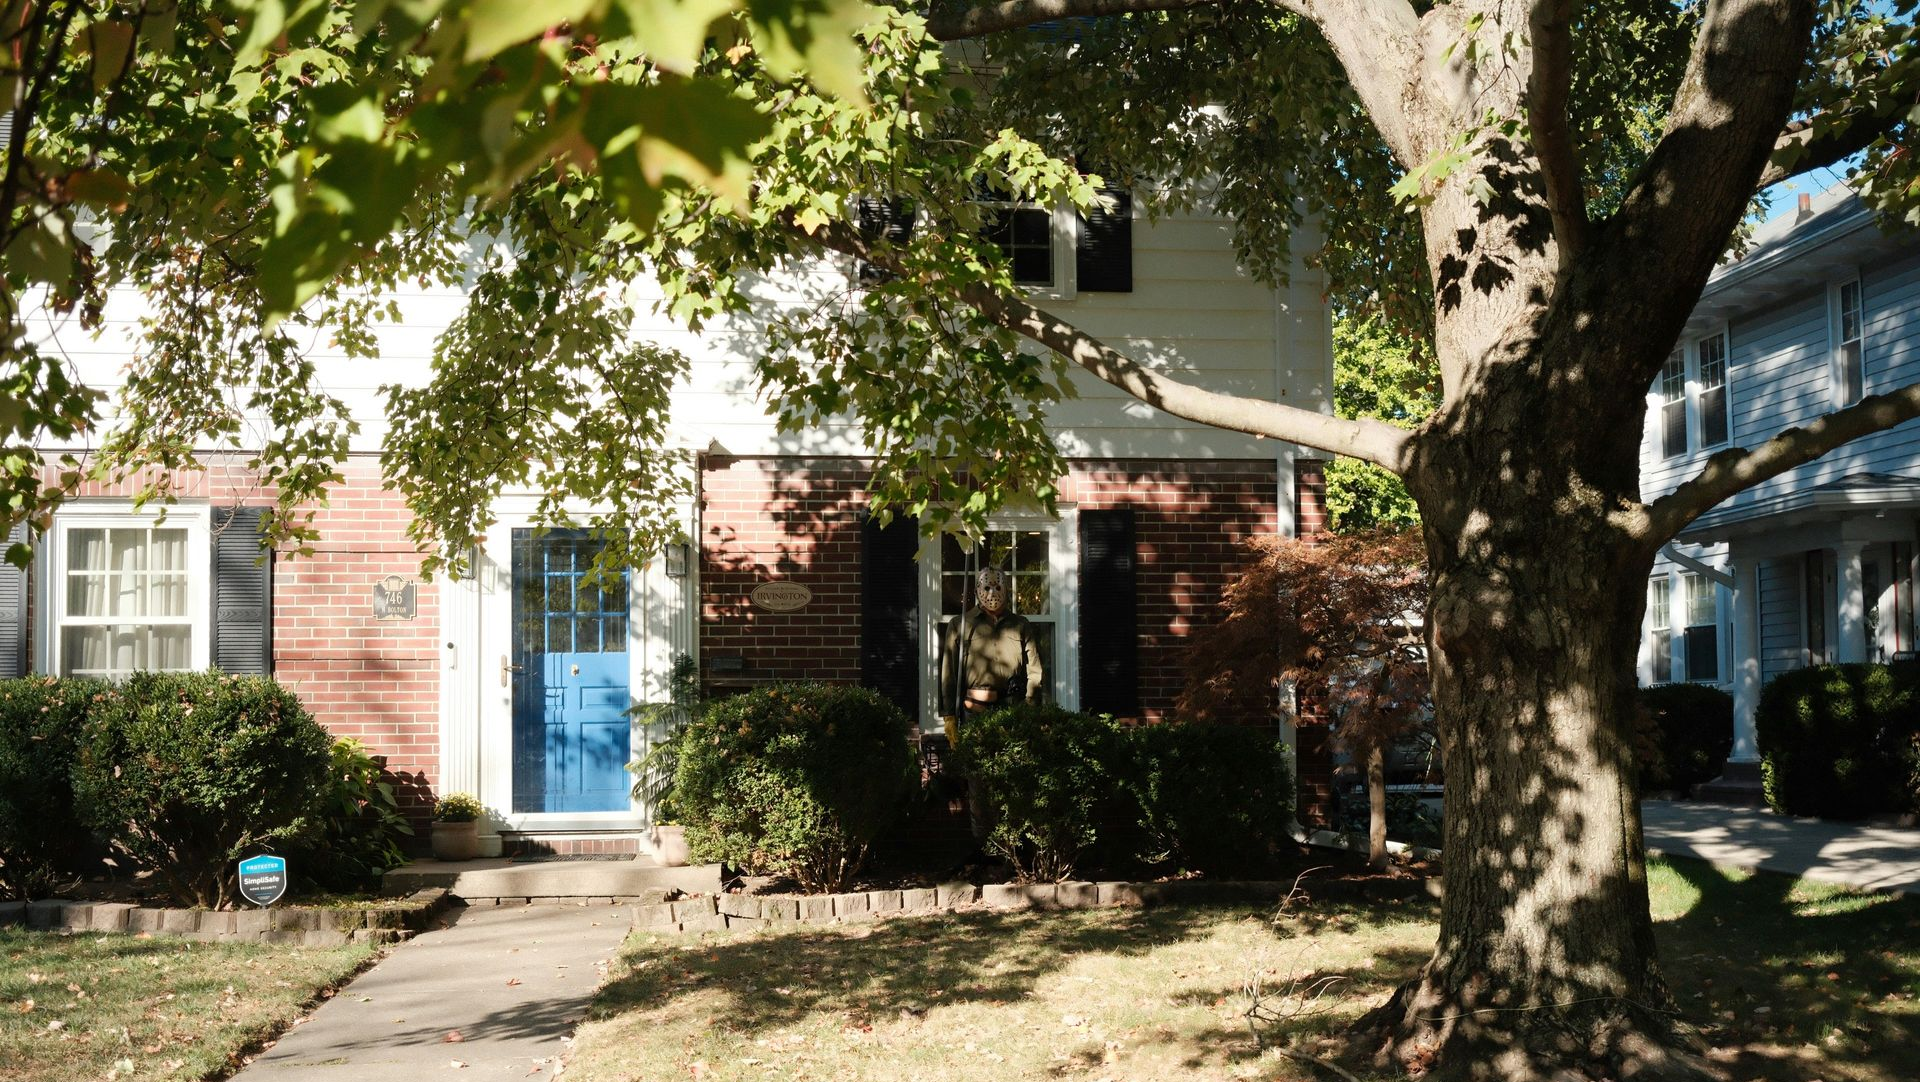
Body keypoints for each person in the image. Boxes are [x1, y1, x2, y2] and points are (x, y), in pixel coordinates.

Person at [938, 566, 1046, 745]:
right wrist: (949, 715)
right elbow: (948, 674)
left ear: (1006, 590)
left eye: (998, 587)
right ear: (976, 591)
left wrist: (1030, 708)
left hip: (1012, 711)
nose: (992, 593)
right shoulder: (960, 625)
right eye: (987, 587)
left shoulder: (1020, 625)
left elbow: (1034, 670)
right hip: (973, 712)